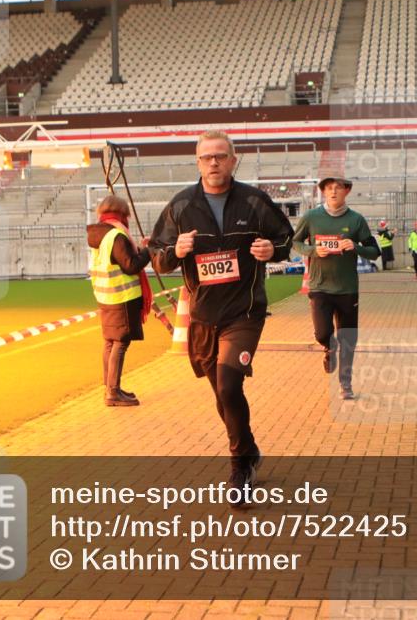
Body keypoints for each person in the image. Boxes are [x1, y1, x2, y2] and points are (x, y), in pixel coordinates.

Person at [149, 129, 293, 505]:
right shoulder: (181, 206)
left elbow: (285, 238)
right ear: (198, 162)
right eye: (206, 157)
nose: (214, 162)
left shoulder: (254, 201)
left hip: (244, 313)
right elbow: (158, 253)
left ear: (233, 159)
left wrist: (270, 250)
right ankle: (249, 448)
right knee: (221, 393)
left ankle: (239, 467)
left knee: (229, 385)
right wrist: (174, 251)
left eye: (220, 156)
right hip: (203, 317)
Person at [293, 177, 380, 400]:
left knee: (348, 339)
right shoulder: (311, 217)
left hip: (347, 289)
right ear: (323, 192)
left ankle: (345, 383)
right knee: (323, 333)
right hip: (319, 286)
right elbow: (295, 242)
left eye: (337, 188)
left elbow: (374, 251)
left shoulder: (356, 220)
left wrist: (356, 247)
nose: (332, 192)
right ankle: (328, 348)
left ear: (346, 191)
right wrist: (313, 250)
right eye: (328, 188)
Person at [88, 195, 152, 407]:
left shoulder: (100, 234)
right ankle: (113, 392)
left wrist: (139, 250)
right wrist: (148, 252)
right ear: (122, 213)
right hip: (122, 298)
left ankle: (110, 387)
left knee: (109, 342)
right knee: (120, 342)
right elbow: (131, 265)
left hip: (106, 296)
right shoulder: (117, 235)